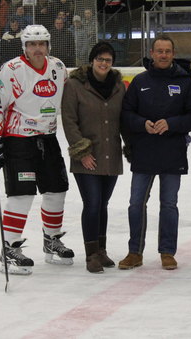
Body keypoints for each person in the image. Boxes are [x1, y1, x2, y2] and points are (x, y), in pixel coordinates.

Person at [0, 24, 74, 275]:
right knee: (21, 195)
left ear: (48, 45)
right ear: (24, 47)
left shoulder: (58, 67)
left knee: (57, 190)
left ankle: (51, 240)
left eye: (41, 43)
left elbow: (72, 96)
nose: (37, 49)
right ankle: (10, 248)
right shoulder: (12, 70)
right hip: (18, 140)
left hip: (48, 138)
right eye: (32, 44)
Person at [119, 34, 191, 270]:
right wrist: (142, 124)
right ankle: (134, 251)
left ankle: (167, 251)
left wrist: (172, 124)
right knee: (136, 203)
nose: (163, 55)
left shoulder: (185, 81)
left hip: (172, 152)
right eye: (159, 51)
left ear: (173, 54)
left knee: (168, 204)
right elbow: (126, 114)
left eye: (167, 51)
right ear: (152, 53)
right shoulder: (140, 81)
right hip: (143, 152)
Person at [61, 42, 126, 273]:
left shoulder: (119, 86)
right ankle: (91, 255)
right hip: (87, 157)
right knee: (93, 203)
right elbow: (69, 120)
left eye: (108, 60)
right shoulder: (75, 85)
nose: (103, 64)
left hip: (111, 155)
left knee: (103, 204)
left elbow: (125, 119)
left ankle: (101, 250)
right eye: (100, 59)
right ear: (92, 61)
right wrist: (82, 151)